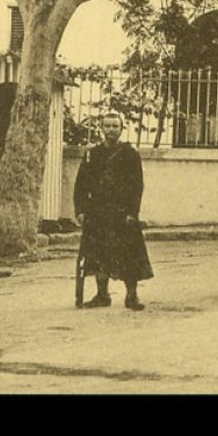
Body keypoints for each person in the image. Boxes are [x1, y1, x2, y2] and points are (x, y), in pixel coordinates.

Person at [74, 113, 154, 310]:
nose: (111, 130)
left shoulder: (130, 154)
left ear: (121, 129)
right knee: (98, 254)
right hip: (98, 212)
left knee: (129, 254)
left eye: (115, 126)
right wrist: (81, 210)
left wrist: (133, 213)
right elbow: (81, 185)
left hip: (123, 213)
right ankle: (102, 295)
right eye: (107, 126)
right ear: (102, 128)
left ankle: (132, 296)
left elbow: (137, 186)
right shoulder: (92, 154)